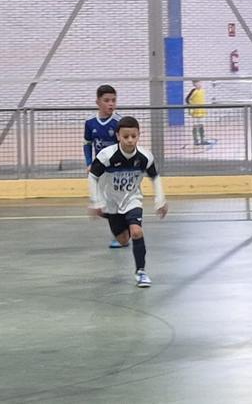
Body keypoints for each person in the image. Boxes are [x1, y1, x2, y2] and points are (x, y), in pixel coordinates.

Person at [87, 116, 168, 288]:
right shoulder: (106, 156)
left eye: (134, 136)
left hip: (132, 199)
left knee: (137, 232)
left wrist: (160, 200)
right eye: (126, 136)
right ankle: (108, 215)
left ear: (138, 135)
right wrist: (96, 201)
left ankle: (141, 272)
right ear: (118, 136)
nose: (130, 140)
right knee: (123, 240)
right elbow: (93, 176)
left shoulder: (145, 157)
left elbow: (155, 177)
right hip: (111, 202)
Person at [84, 84, 124, 249]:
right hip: (101, 171)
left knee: (113, 205)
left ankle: (120, 235)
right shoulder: (90, 123)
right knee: (101, 210)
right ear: (97, 102)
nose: (111, 104)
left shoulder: (118, 122)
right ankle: (126, 226)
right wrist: (89, 162)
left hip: (117, 171)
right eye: (106, 100)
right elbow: (87, 144)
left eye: (113, 100)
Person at [186, 80, 208, 146]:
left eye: (200, 82)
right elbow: (187, 100)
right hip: (195, 113)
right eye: (197, 83)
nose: (199, 84)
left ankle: (203, 140)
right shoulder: (193, 91)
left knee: (202, 126)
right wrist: (192, 108)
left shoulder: (203, 91)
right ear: (194, 84)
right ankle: (196, 141)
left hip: (202, 112)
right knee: (195, 126)